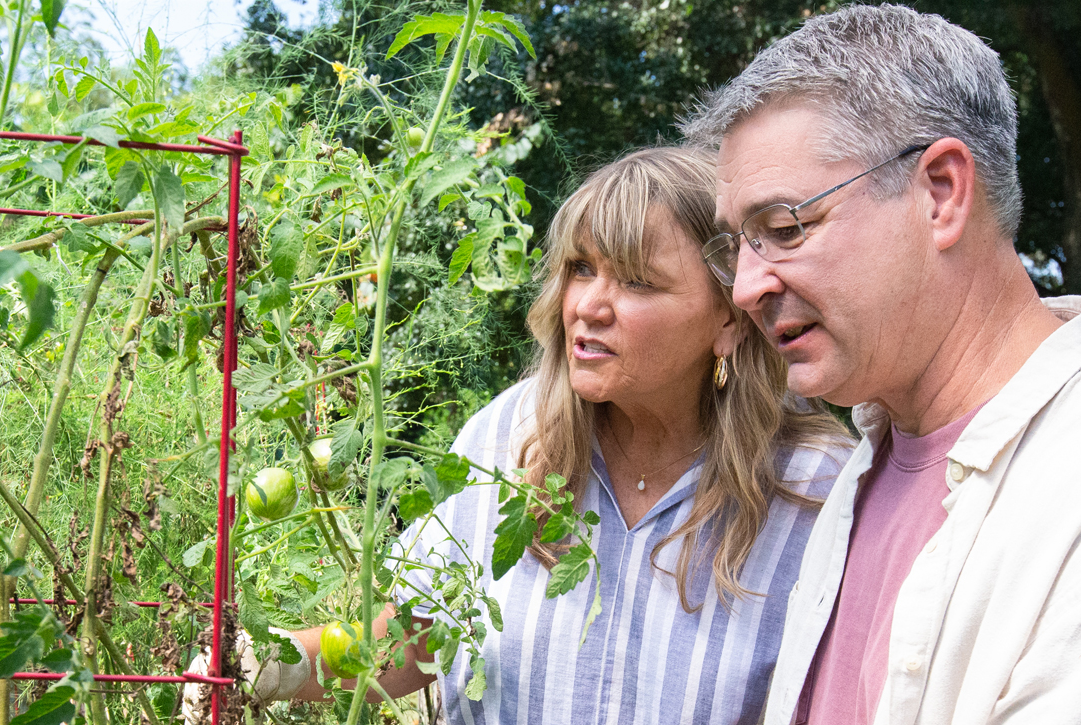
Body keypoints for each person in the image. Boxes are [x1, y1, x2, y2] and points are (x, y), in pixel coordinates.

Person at [215, 147, 850, 724]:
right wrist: (269, 665)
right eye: (581, 269)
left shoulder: (814, 493)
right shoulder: (507, 437)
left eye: (636, 280)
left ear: (729, 318)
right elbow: (416, 633)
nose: (589, 305)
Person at [682, 5, 1081, 725]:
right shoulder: (868, 461)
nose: (743, 288)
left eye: (782, 229)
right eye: (737, 243)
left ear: (940, 194)